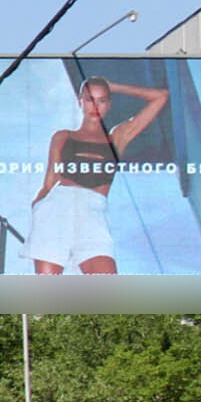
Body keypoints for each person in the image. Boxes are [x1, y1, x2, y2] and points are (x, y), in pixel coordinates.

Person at [26, 76, 170, 275]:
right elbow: (49, 183)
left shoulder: (118, 137)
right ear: (80, 101)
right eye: (89, 99)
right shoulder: (63, 137)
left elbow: (160, 97)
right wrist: (38, 207)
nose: (95, 106)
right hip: (56, 211)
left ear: (109, 104)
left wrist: (116, 86)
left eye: (102, 100)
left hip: (92, 214)